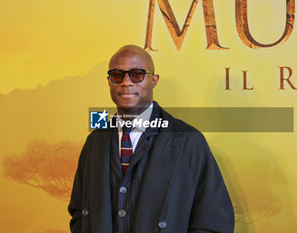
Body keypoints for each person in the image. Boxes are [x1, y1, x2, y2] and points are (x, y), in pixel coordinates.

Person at [68, 45, 235, 233]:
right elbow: (79, 212)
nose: (126, 82)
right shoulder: (94, 142)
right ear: (109, 81)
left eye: (137, 74)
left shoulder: (189, 141)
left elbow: (213, 221)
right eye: (117, 75)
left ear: (154, 80)